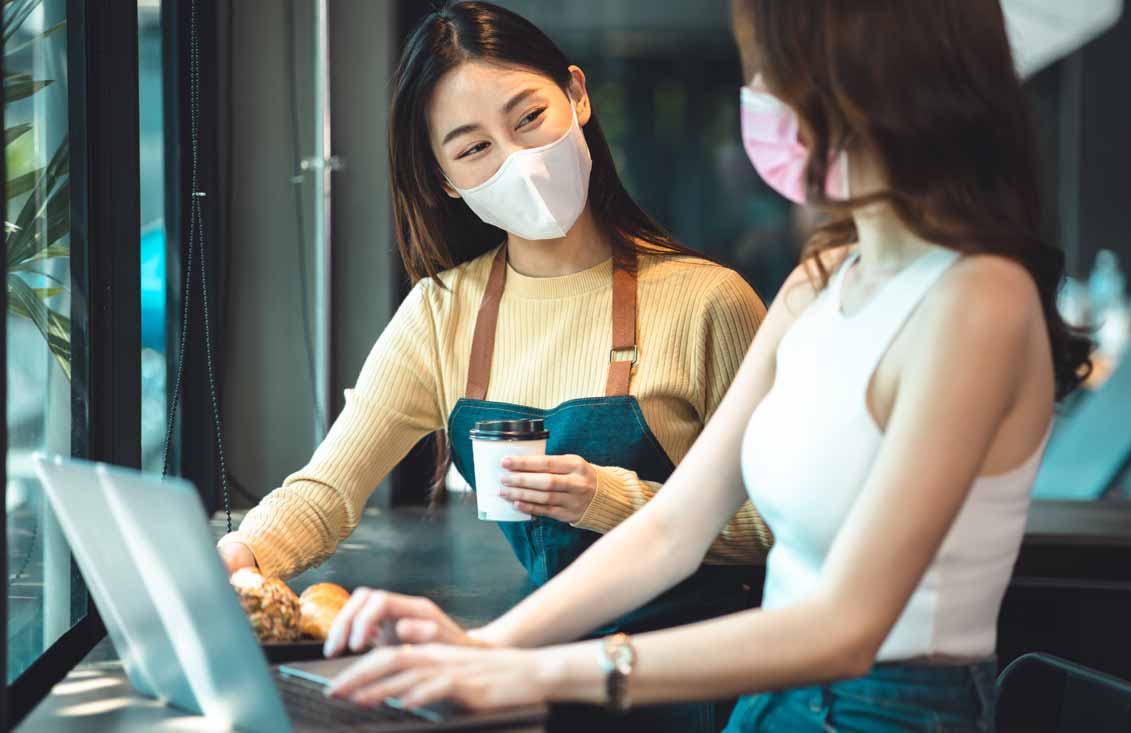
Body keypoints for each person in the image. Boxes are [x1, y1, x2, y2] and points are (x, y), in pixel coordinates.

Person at [320, 2, 1093, 731]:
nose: (757, 101)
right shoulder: (823, 277)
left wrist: (540, 673)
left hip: (884, 707)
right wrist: (486, 644)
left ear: (880, 83)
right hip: (767, 702)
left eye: (773, 72)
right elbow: (672, 528)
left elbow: (845, 629)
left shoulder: (981, 301)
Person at [218, 2, 770, 730]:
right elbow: (326, 491)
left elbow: (773, 525)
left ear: (576, 95)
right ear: (446, 179)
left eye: (529, 118)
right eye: (474, 148)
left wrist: (605, 495)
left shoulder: (709, 301)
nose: (518, 160)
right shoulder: (441, 314)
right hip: (536, 663)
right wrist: (237, 559)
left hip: (703, 676)